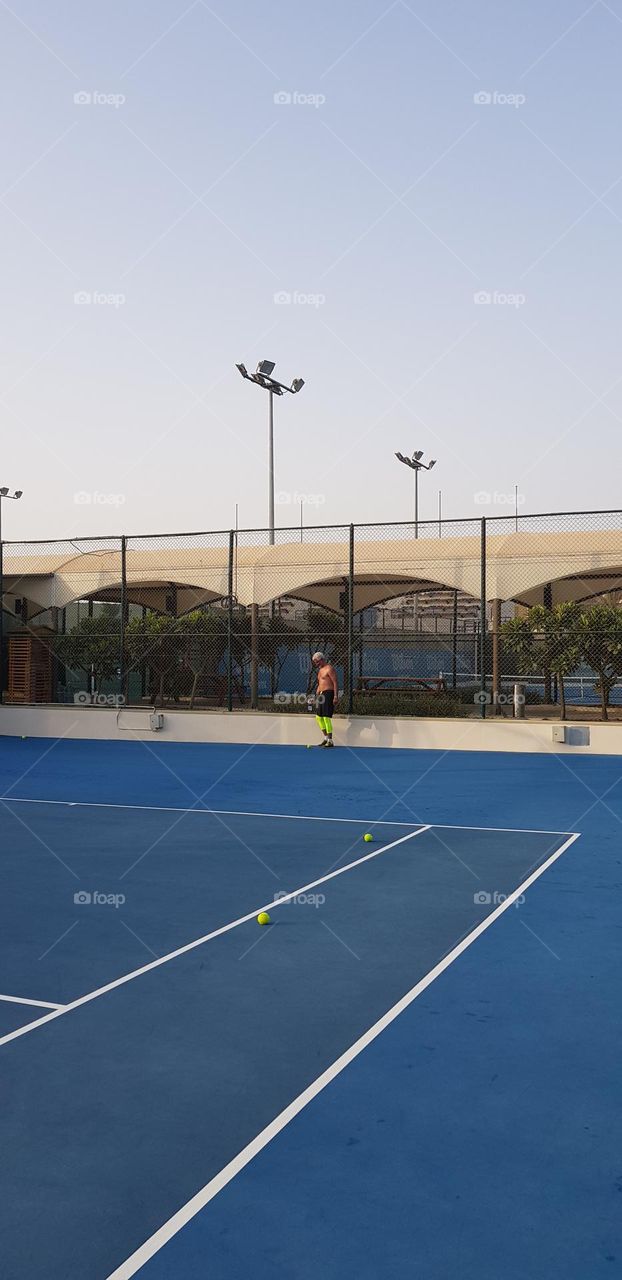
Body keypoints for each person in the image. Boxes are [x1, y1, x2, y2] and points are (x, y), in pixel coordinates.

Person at [311, 651, 338, 747]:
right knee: (318, 717)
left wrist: (335, 696)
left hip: (328, 693)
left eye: (317, 662)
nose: (316, 664)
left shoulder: (329, 669)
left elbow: (335, 682)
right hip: (321, 695)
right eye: (315, 662)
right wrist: (316, 696)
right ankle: (326, 738)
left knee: (326, 717)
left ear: (322, 660)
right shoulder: (320, 670)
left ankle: (330, 740)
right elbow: (320, 684)